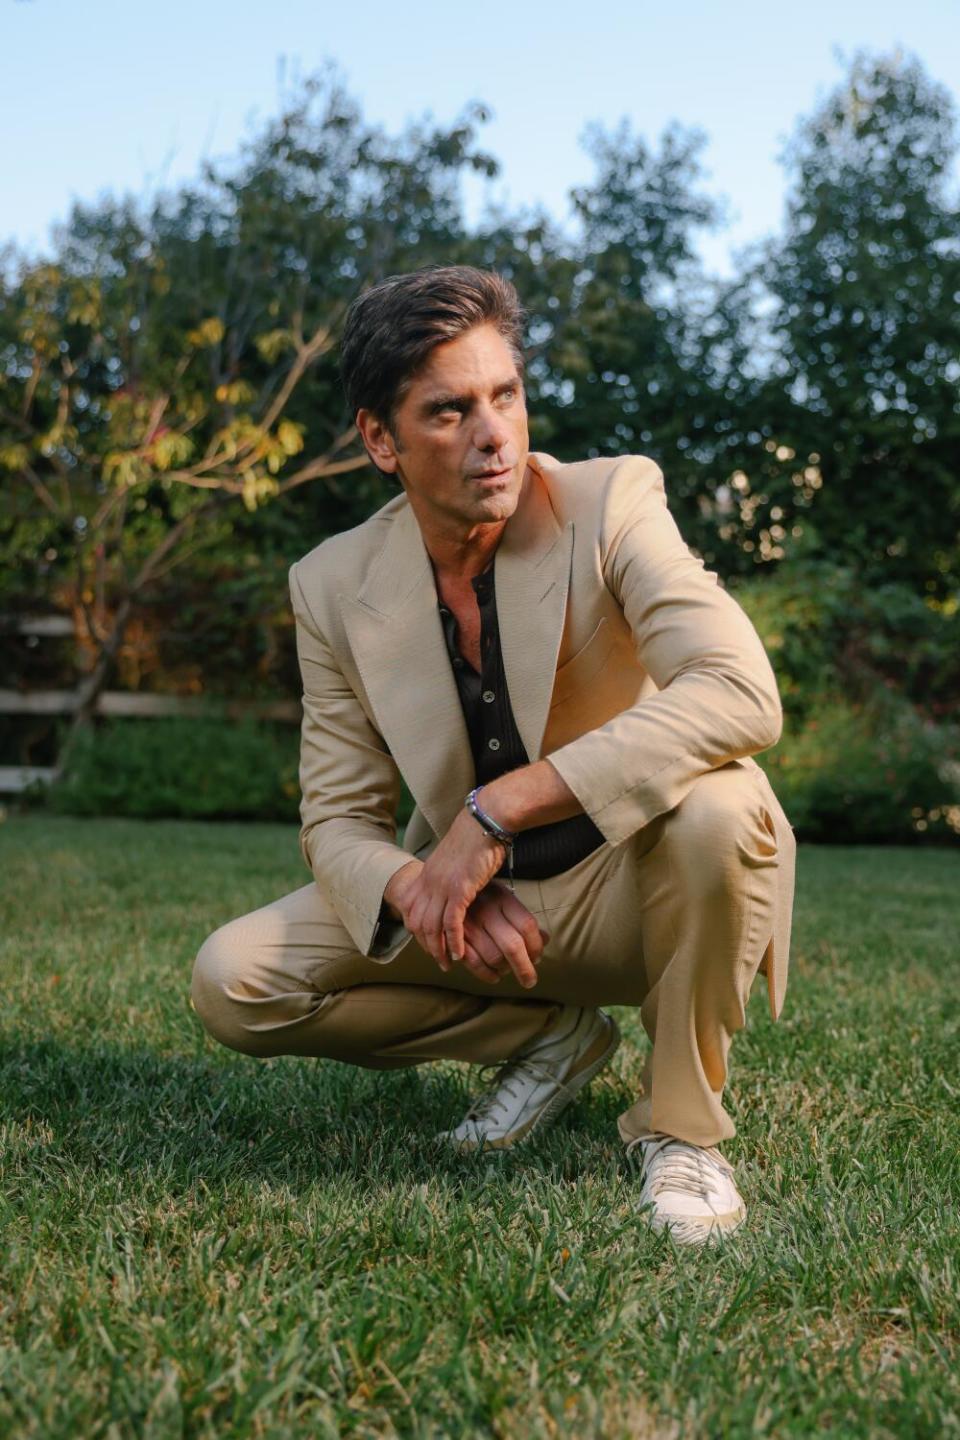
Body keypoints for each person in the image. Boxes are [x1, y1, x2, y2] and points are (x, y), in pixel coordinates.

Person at [192, 264, 796, 1246]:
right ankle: (552, 1038)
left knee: (723, 809)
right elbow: (338, 821)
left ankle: (683, 1131)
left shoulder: (610, 503)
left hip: (641, 889)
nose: (494, 435)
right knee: (235, 979)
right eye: (449, 411)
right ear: (379, 440)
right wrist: (416, 887)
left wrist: (496, 811)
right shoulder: (332, 583)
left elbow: (739, 692)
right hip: (487, 923)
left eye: (505, 396)